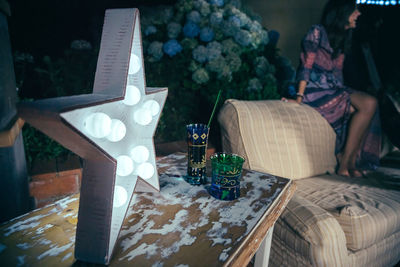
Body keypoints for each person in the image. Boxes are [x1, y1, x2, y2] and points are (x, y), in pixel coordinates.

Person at [284, 0, 381, 177]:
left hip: (332, 89)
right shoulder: (316, 32)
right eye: (355, 10)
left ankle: (350, 160)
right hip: (315, 91)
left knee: (365, 106)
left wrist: (346, 95)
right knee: (369, 103)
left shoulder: (343, 38)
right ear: (342, 12)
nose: (358, 14)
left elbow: (338, 76)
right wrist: (299, 96)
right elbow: (306, 64)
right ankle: (345, 161)